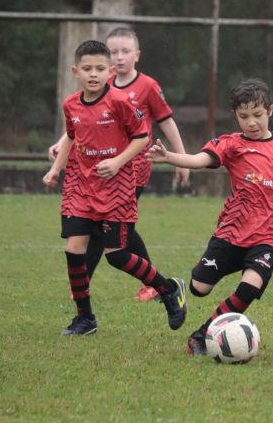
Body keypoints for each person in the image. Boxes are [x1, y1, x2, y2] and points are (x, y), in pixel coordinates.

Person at [147, 78, 273, 355]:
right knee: (199, 287)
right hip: (234, 231)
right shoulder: (231, 144)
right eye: (244, 116)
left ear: (270, 111)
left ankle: (203, 335)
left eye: (257, 115)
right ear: (236, 116)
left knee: (250, 287)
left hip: (272, 234)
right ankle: (177, 287)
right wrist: (170, 157)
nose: (251, 122)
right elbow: (199, 160)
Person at [42, 40, 187, 336]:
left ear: (109, 71)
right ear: (75, 72)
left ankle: (168, 289)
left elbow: (142, 137)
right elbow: (71, 137)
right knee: (74, 248)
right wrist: (56, 169)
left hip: (117, 186)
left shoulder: (120, 102)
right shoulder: (70, 105)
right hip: (79, 185)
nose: (93, 74)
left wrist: (118, 162)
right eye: (86, 69)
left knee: (116, 254)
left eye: (99, 69)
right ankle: (85, 319)